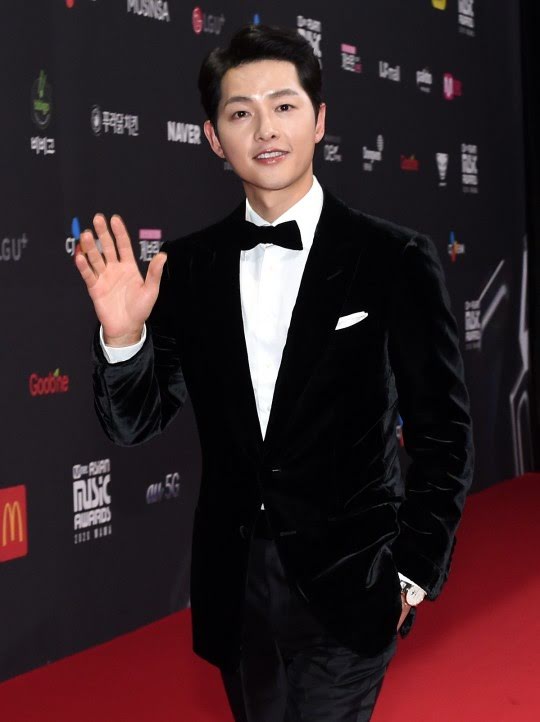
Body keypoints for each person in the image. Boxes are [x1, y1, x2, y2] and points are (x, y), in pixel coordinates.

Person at [75, 24, 474, 722]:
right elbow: (135, 423)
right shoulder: (186, 268)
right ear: (212, 137)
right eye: (240, 112)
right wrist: (124, 336)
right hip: (238, 591)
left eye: (284, 106)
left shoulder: (392, 259)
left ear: (318, 121)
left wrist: (412, 573)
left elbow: (444, 434)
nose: (265, 129)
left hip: (353, 580)